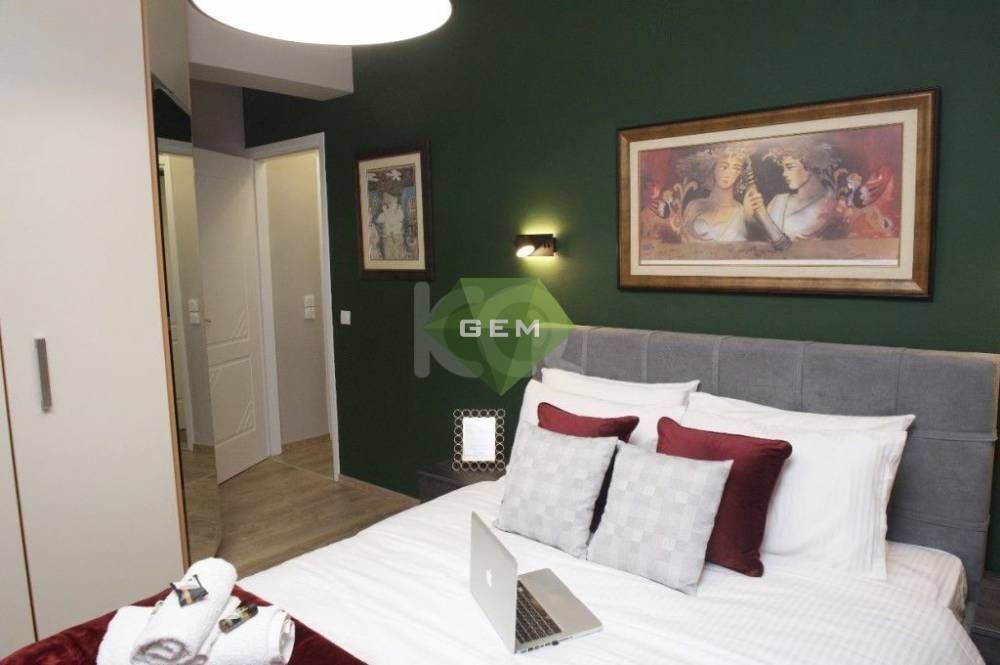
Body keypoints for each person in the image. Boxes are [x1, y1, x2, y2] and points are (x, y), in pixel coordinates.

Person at [745, 144, 838, 240]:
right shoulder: (778, 200)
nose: (784, 174)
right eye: (783, 169)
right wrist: (750, 217)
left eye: (790, 167)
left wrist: (763, 216)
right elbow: (766, 240)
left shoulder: (831, 203)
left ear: (810, 167)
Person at [676, 146, 752, 242]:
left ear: (740, 174)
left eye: (736, 169)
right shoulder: (694, 206)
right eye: (724, 167)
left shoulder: (742, 211)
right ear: (713, 169)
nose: (728, 173)